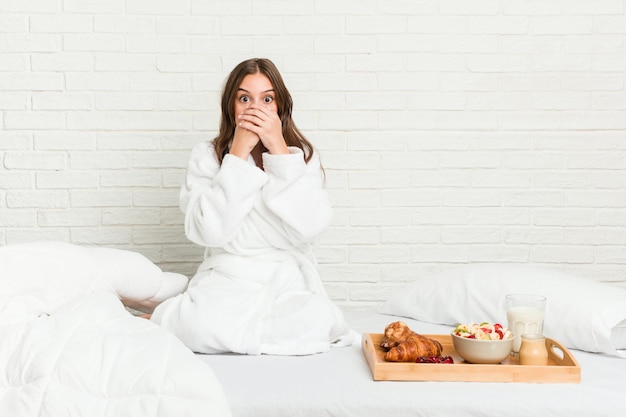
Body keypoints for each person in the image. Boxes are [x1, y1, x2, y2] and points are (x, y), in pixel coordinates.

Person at [150, 58, 354, 355]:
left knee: (318, 317)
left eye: (267, 99)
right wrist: (236, 155)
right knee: (202, 324)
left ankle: (197, 319)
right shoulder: (208, 156)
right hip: (228, 278)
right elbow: (208, 233)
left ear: (280, 107)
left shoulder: (302, 158)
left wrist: (281, 154)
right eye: (245, 98)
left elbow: (311, 226)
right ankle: (179, 315)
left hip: (287, 284)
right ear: (231, 107)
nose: (255, 109)